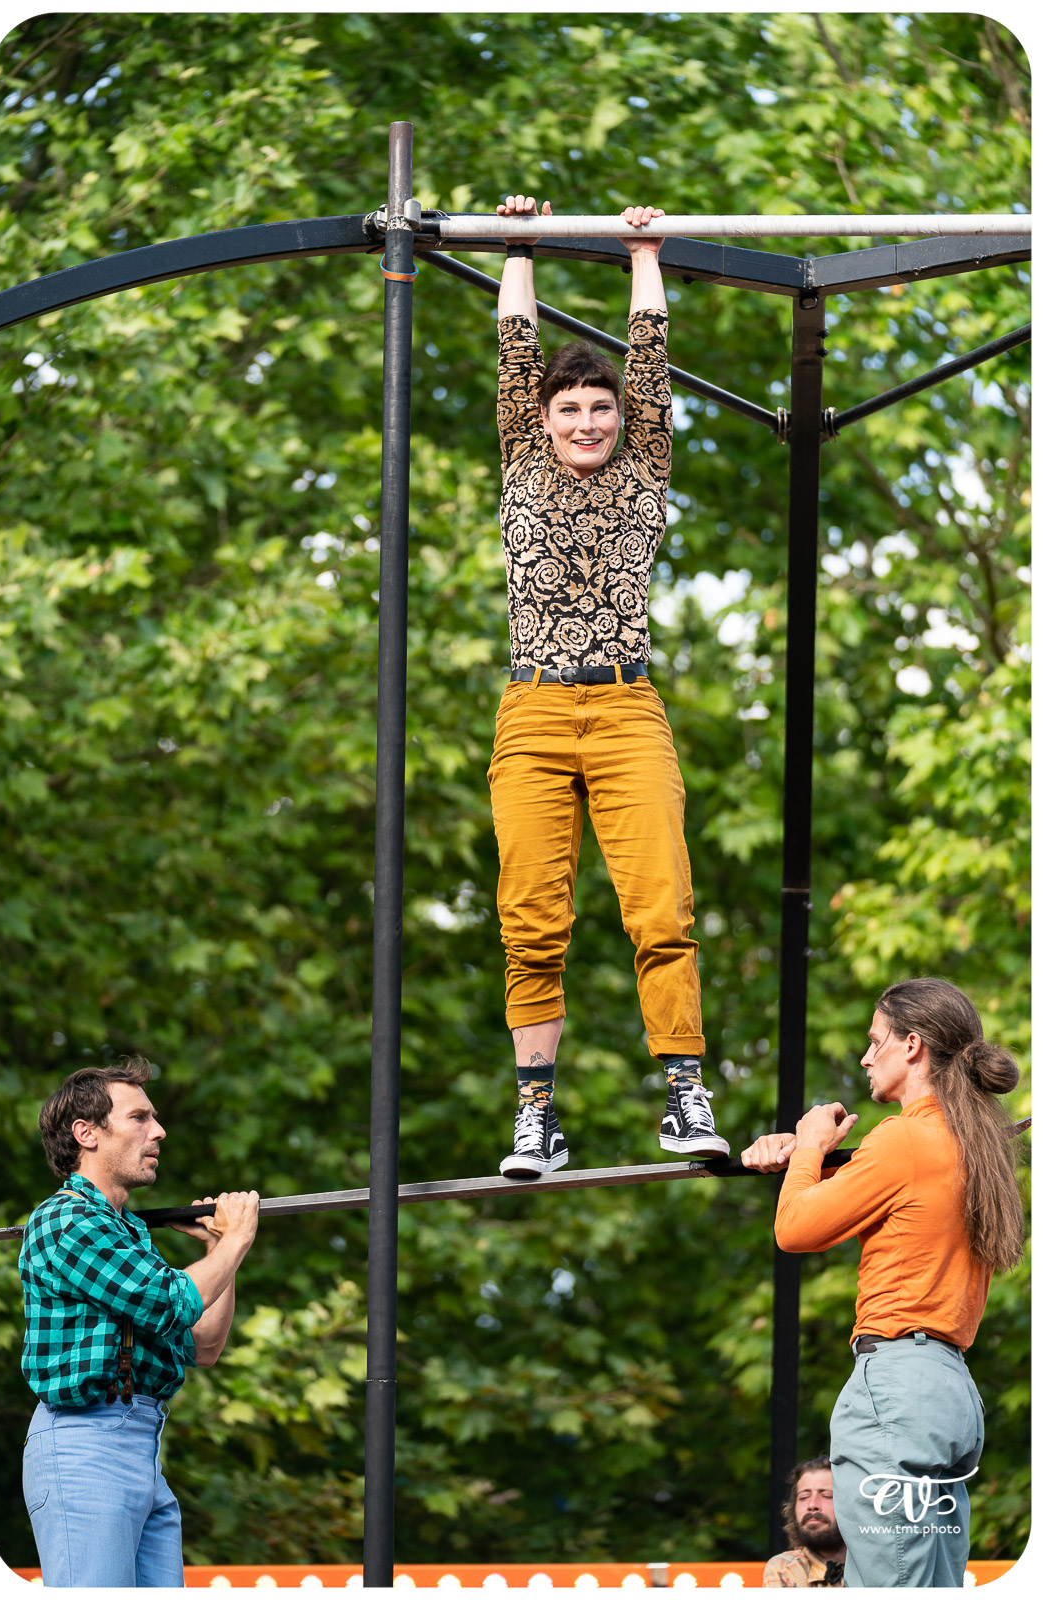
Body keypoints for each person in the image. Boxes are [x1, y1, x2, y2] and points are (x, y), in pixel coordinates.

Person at [490, 190, 727, 1179]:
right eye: (569, 408)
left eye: (600, 408)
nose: (586, 420)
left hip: (626, 705)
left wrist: (644, 253)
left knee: (660, 907)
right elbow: (513, 349)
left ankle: (683, 1092)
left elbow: (650, 360)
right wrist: (518, 244)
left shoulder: (643, 470)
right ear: (541, 420)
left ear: (622, 421)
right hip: (535, 707)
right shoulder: (520, 461)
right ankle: (535, 1117)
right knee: (530, 917)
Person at [742, 978, 1024, 1588]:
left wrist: (809, 1146)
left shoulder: (903, 1138)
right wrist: (806, 1159)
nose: (867, 1057)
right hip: (949, 1393)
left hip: (897, 1386)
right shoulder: (970, 1142)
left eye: (876, 1042)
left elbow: (794, 1229)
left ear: (913, 1045)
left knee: (888, 1584)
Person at [18, 1057, 260, 1587]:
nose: (159, 1130)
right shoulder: (67, 1220)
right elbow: (171, 1302)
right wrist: (239, 1238)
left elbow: (203, 1345)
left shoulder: (127, 1233)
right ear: (87, 1133)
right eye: (139, 1118)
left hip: (142, 1446)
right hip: (85, 1443)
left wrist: (221, 1250)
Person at [764, 1456, 846, 1587]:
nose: (812, 1504)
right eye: (804, 1497)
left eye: (826, 1495)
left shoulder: (876, 1564)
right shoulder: (784, 1569)